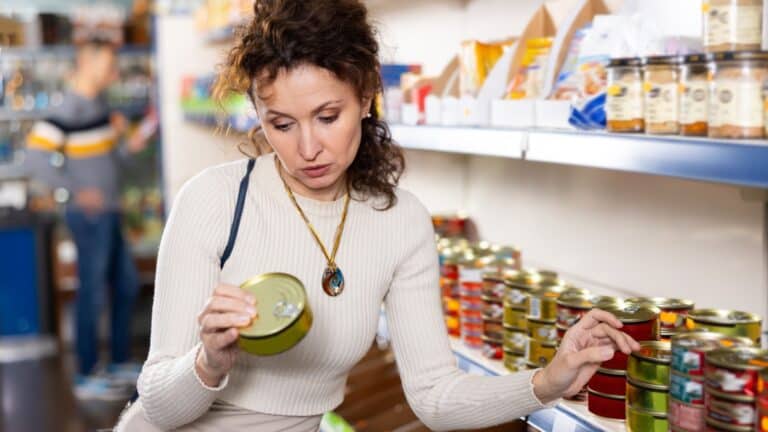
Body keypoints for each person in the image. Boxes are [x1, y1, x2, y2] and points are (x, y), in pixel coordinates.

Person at [117, 1, 639, 430]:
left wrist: (547, 381)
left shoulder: (399, 222)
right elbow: (159, 403)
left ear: (365, 95)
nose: (307, 147)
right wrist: (206, 361)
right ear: (258, 115)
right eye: (281, 124)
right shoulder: (211, 200)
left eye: (328, 116)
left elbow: (434, 396)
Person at [24, 38, 151, 400]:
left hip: (110, 212)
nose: (113, 72)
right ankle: (85, 374)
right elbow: (34, 159)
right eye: (108, 64)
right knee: (92, 294)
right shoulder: (69, 108)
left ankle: (118, 361)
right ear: (88, 62)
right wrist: (75, 192)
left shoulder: (99, 105)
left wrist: (129, 146)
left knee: (126, 286)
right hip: (89, 216)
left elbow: (114, 162)